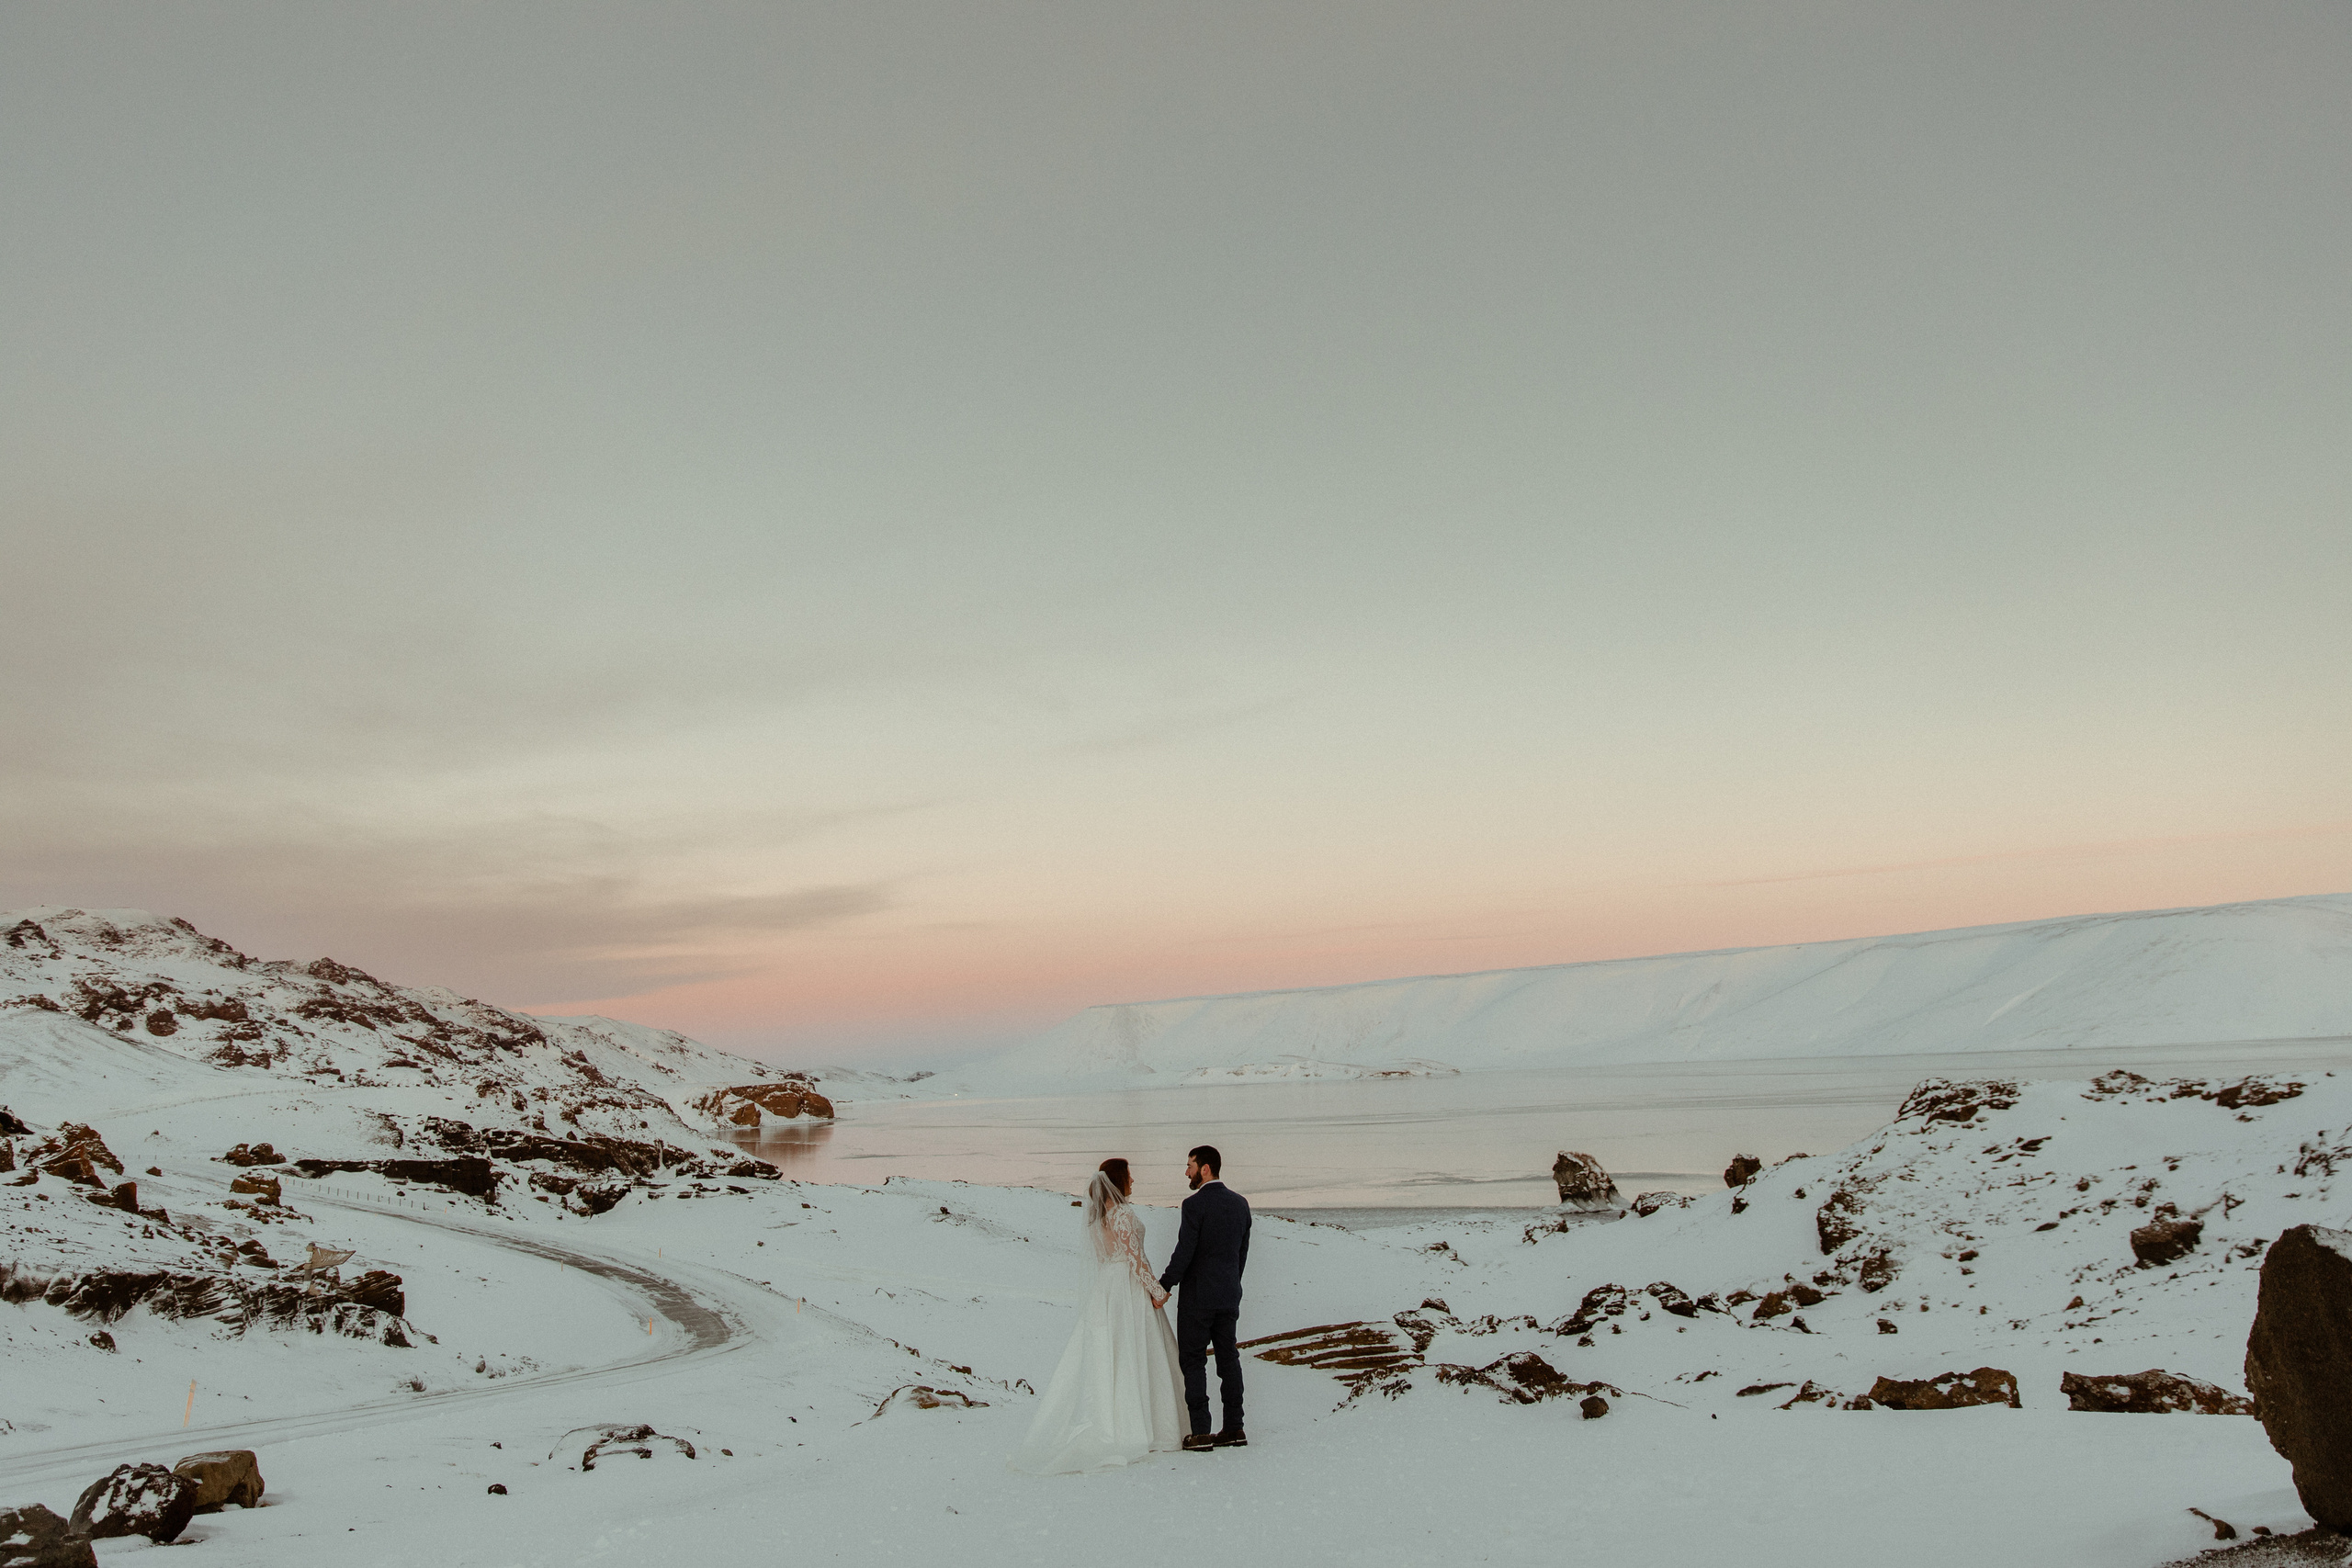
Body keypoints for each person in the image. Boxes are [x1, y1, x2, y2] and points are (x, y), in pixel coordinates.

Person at [1008, 1157, 1188, 1474]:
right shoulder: (1123, 1215)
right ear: (1119, 1181)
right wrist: (1157, 1291)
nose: (1133, 1181)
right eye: (1129, 1176)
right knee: (1137, 1349)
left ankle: (1116, 1419)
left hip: (1107, 1288)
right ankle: (1149, 1426)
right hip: (1128, 1287)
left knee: (1113, 1353)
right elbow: (1135, 1259)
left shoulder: (1098, 1220)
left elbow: (1108, 1257)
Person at [1159, 1145, 1251, 1450]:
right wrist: (1231, 1284)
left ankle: (1200, 1432)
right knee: (1228, 1359)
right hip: (1229, 1296)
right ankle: (1235, 1428)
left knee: (1194, 1361)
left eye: (1190, 1166)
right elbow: (1241, 1254)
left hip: (1197, 1299)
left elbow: (1184, 1252)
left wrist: (1164, 1286)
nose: (1187, 1172)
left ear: (1205, 1168)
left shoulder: (1193, 1205)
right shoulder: (1240, 1204)